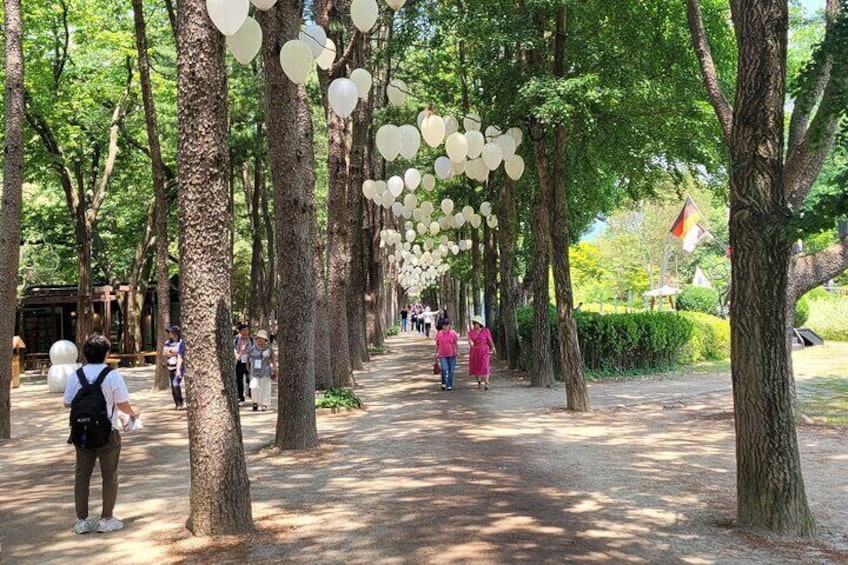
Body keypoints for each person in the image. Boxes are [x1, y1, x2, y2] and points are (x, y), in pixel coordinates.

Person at [63, 333, 141, 534]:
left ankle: (82, 520)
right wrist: (134, 413)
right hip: (109, 432)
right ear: (107, 353)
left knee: (82, 475)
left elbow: (67, 403)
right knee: (109, 475)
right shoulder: (112, 375)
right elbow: (122, 404)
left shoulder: (76, 375)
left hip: (81, 432)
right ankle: (106, 518)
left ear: (85, 353)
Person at [248, 330, 276, 411]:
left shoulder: (269, 349)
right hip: (255, 371)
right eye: (258, 339)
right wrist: (248, 367)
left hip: (266, 371)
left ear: (265, 340)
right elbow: (248, 358)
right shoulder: (253, 348)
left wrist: (275, 369)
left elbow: (273, 359)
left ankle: (264, 404)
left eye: (262, 339)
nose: (260, 340)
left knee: (265, 388)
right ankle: (255, 402)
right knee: (254, 387)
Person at [468, 317, 496, 390]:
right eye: (474, 323)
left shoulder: (486, 331)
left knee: (485, 365)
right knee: (476, 366)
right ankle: (479, 382)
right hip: (475, 350)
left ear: (480, 324)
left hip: (484, 349)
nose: (474, 325)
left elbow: (490, 340)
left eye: (476, 323)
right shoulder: (471, 332)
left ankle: (486, 382)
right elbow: (470, 339)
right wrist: (471, 343)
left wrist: (493, 348)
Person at [162, 325, 185, 409]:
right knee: (172, 386)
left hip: (178, 367)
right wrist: (173, 351)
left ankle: (180, 402)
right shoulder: (167, 342)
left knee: (176, 384)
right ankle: (176, 403)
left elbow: (180, 354)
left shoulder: (181, 342)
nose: (170, 334)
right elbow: (164, 353)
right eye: (169, 332)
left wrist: (171, 351)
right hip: (170, 366)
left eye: (171, 332)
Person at [434, 318, 459, 390]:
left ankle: (449, 384)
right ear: (442, 326)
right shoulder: (439, 334)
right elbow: (437, 344)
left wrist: (457, 351)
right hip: (442, 355)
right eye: (444, 325)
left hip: (452, 354)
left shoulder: (453, 333)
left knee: (451, 370)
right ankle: (443, 382)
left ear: (449, 326)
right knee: (444, 369)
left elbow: (456, 343)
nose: (445, 327)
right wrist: (435, 353)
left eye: (447, 325)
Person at [233, 322, 252, 403]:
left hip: (249, 361)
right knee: (239, 380)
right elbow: (234, 349)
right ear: (240, 331)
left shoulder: (251, 339)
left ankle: (252, 395)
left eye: (247, 330)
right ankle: (240, 396)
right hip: (239, 361)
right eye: (244, 330)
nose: (246, 332)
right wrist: (237, 354)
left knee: (250, 378)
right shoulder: (236, 340)